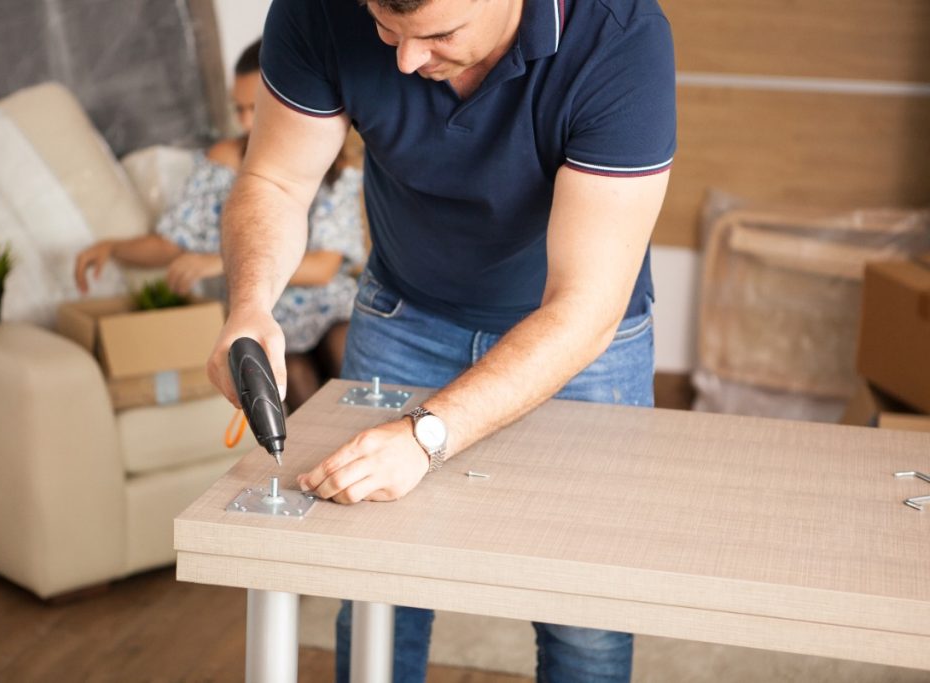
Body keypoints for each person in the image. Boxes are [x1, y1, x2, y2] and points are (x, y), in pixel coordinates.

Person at [207, 0, 675, 681]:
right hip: (406, 317)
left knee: (587, 618)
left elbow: (585, 306)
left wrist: (426, 434)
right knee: (377, 597)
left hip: (580, 343)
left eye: (438, 35)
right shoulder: (318, 9)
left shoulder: (620, 37)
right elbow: (276, 180)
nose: (404, 61)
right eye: (385, 30)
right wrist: (248, 306)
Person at [75, 39, 365, 410]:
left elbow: (325, 267)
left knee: (347, 347)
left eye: (255, 108)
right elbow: (174, 241)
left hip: (329, 310)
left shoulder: (338, 162)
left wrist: (219, 261)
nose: (246, 122)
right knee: (289, 373)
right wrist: (114, 248)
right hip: (271, 316)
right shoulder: (226, 158)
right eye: (238, 109)